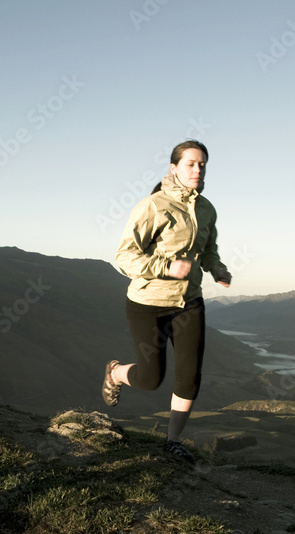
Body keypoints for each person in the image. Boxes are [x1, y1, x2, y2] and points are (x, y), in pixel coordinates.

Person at [102, 140, 231, 463]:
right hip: (149, 302)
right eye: (190, 164)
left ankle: (172, 441)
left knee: (190, 375)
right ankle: (116, 373)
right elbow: (125, 257)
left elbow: (208, 249)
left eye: (202, 165)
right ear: (174, 168)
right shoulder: (153, 206)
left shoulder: (206, 209)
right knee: (150, 378)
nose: (197, 170)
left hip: (190, 302)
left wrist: (218, 269)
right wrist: (167, 267)